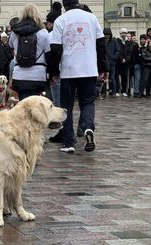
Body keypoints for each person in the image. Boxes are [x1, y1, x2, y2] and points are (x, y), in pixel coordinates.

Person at [48, 0, 108, 153]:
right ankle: (88, 128)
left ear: (64, 4)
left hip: (69, 70)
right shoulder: (91, 18)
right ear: (78, 2)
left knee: (66, 106)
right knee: (88, 102)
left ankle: (68, 143)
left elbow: (55, 48)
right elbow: (101, 45)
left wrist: (53, 71)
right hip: (89, 68)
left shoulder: (61, 20)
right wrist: (103, 67)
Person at [9, 3, 50, 100]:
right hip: (38, 75)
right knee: (36, 105)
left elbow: (10, 46)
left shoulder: (15, 32)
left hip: (19, 75)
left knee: (24, 105)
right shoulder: (43, 33)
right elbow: (48, 53)